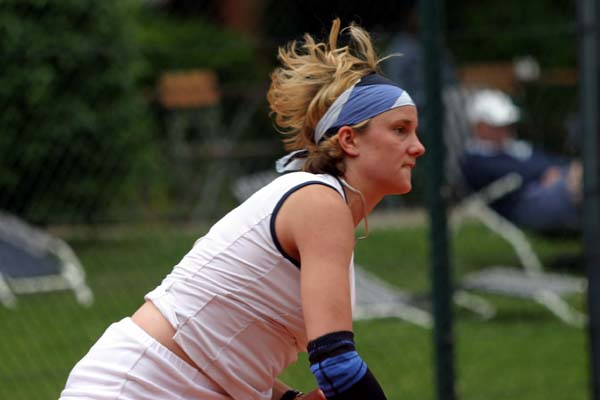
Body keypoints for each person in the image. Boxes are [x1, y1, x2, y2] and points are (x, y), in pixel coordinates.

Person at [59, 18, 425, 400]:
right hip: (135, 388)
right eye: (400, 129)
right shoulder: (320, 203)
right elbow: (336, 364)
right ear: (349, 140)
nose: (418, 147)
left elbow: (221, 351)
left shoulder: (322, 205)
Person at [460, 88, 582, 233]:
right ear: (480, 127)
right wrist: (543, 172)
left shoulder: (515, 148)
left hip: (561, 185)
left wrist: (552, 171)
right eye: (498, 126)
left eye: (507, 125)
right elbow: (513, 173)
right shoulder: (475, 159)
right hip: (526, 203)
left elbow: (554, 161)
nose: (506, 130)